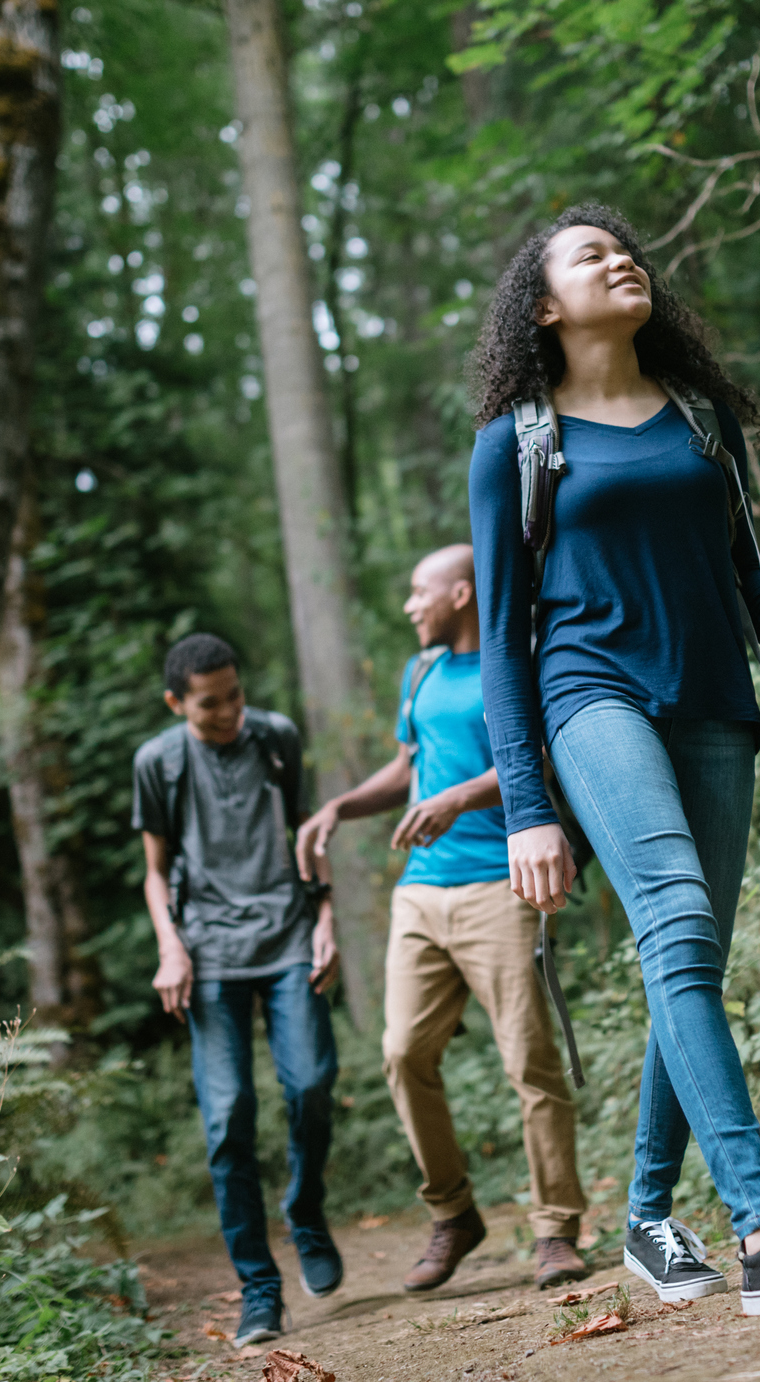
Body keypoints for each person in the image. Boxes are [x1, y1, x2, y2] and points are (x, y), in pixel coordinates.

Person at [466, 203, 760, 1316]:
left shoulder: (703, 418)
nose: (620, 258)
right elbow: (504, 640)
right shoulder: (519, 442)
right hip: (589, 693)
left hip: (713, 697)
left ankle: (649, 1218)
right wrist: (528, 805)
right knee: (672, 914)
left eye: (625, 248)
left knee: (691, 957)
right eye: (587, 255)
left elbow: (744, 556)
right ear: (546, 306)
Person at [296, 545, 591, 1295]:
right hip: (421, 894)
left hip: (502, 883)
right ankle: (454, 1213)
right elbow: (407, 768)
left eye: (417, 592)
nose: (408, 605)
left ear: (461, 593)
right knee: (401, 1052)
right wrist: (340, 806)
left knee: (528, 1058)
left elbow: (541, 759)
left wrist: (457, 797)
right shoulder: (419, 671)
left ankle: (556, 1230)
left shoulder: (515, 662)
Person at [134, 632, 344, 1348]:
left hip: (287, 937)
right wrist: (170, 947)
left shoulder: (276, 738)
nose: (229, 713)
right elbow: (155, 872)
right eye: (209, 705)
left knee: (312, 1083)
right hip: (208, 955)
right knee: (228, 1119)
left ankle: (306, 1213)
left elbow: (306, 837)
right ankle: (259, 1289)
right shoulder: (158, 763)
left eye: (235, 696)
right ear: (175, 703)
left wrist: (326, 918)